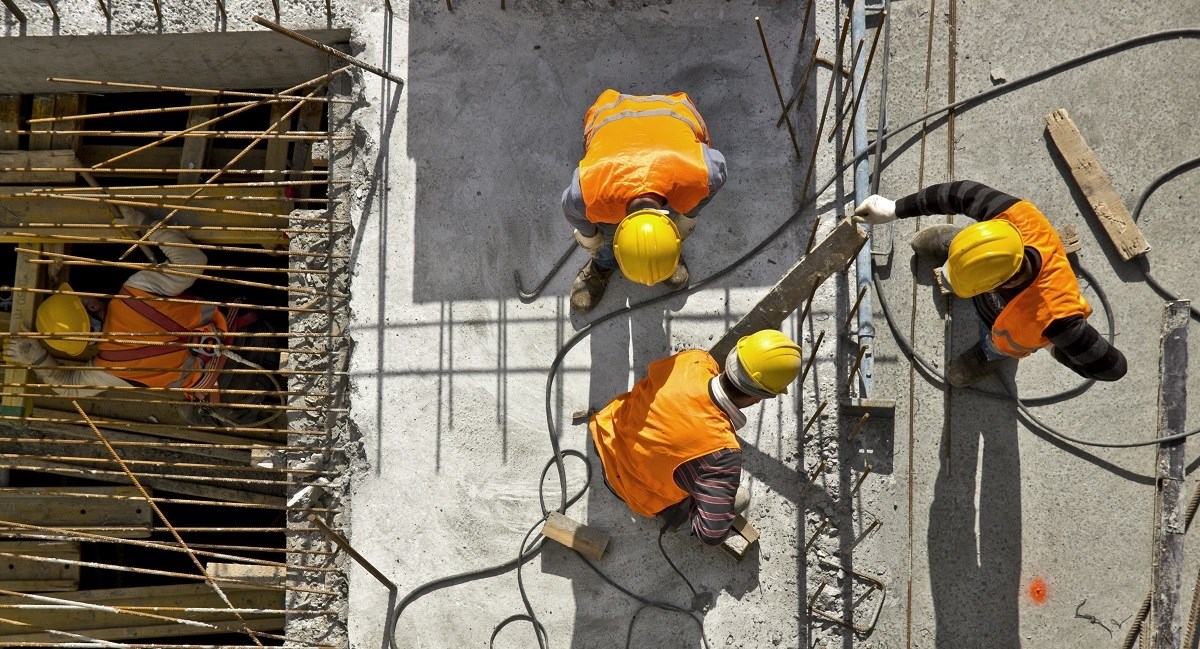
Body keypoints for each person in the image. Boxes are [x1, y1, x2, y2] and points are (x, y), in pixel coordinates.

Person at [3, 207, 279, 427]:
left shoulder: (110, 369)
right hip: (257, 345)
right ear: (93, 308)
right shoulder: (136, 291)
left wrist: (38, 359)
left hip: (238, 398)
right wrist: (144, 224)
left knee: (191, 414)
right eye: (81, 299)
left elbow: (67, 388)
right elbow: (193, 261)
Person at [853, 180, 1127, 387]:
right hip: (987, 256)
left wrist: (1052, 346)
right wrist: (894, 209)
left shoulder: (1056, 317)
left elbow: (1113, 368)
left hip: (1006, 333)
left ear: (997, 283)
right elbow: (959, 193)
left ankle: (990, 354)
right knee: (963, 250)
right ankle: (959, 246)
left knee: (997, 345)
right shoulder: (1016, 217)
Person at [589, 329, 802, 545]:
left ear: (733, 356)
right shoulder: (721, 455)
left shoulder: (693, 360)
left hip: (607, 432)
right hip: (631, 489)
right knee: (741, 498)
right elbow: (711, 535)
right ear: (759, 397)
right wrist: (702, 489)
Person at [562, 89, 727, 312]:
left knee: (680, 204)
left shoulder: (700, 174)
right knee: (605, 232)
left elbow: (717, 170)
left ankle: (661, 254)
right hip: (611, 112)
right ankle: (604, 262)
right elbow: (570, 208)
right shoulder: (590, 194)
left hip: (674, 111)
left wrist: (689, 217)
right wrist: (593, 239)